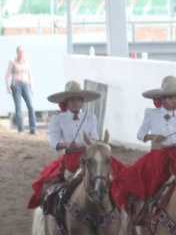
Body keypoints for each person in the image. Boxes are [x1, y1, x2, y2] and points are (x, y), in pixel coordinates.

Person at [27, 81, 124, 210]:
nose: (75, 103)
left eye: (78, 100)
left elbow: (94, 137)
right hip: (71, 159)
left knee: (111, 177)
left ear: (82, 101)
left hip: (90, 155)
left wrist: (94, 144)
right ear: (66, 101)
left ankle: (117, 211)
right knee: (57, 188)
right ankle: (61, 211)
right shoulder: (58, 119)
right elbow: (53, 140)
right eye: (72, 100)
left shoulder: (91, 117)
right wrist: (66, 144)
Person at [111, 76, 176, 209]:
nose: (175, 101)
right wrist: (152, 137)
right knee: (149, 186)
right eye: (171, 98)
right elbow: (140, 135)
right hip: (157, 157)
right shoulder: (152, 114)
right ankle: (144, 210)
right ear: (162, 99)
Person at [5, 45, 36, 134]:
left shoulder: (26, 62)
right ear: (17, 52)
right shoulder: (12, 62)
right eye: (20, 52)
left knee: (31, 106)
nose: (21, 54)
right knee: (18, 107)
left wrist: (32, 86)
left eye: (22, 52)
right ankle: (21, 129)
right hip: (16, 85)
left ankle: (33, 129)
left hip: (25, 84)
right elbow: (7, 75)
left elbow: (30, 74)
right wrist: (8, 87)